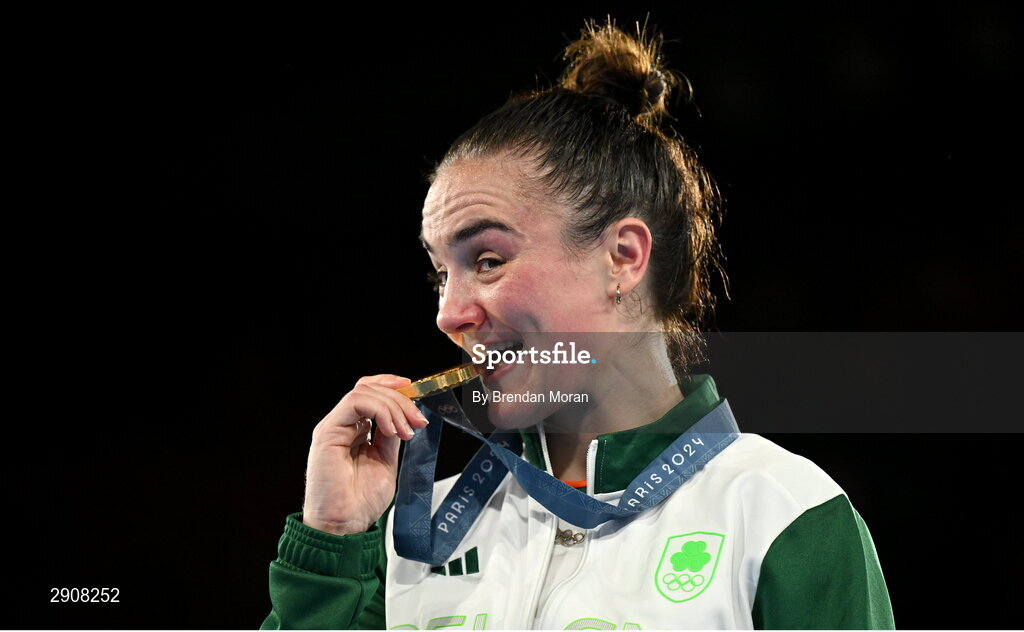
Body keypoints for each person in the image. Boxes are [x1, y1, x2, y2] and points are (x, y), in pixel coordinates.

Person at [261, 19, 894, 630]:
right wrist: (334, 541)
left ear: (622, 258)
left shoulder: (782, 515)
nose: (449, 314)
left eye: (487, 260)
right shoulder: (410, 541)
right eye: (440, 274)